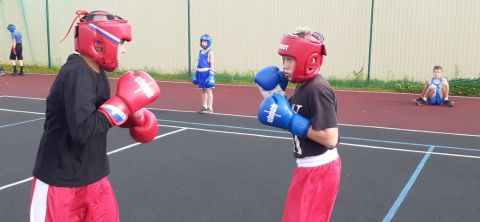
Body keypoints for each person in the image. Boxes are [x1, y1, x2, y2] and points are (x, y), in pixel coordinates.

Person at [29, 10, 160, 221]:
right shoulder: (74, 73)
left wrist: (132, 116)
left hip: (94, 177)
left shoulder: (99, 74)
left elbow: (100, 116)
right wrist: (123, 104)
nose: (124, 50)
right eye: (121, 43)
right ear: (99, 43)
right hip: (59, 183)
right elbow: (83, 131)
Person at [255, 27, 341, 222]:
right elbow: (289, 112)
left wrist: (292, 122)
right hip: (308, 168)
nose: (284, 65)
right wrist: (273, 94)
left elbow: (330, 138)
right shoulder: (303, 86)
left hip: (320, 170)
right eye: (284, 59)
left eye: (290, 59)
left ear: (307, 60)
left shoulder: (317, 89)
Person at [192, 34, 215, 114]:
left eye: (205, 42)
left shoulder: (210, 52)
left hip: (207, 73)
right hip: (200, 72)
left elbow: (212, 63)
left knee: (208, 90)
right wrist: (196, 72)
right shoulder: (200, 52)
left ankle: (210, 107)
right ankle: (204, 107)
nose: (203, 43)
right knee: (203, 90)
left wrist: (211, 74)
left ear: (208, 43)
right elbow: (199, 62)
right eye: (202, 42)